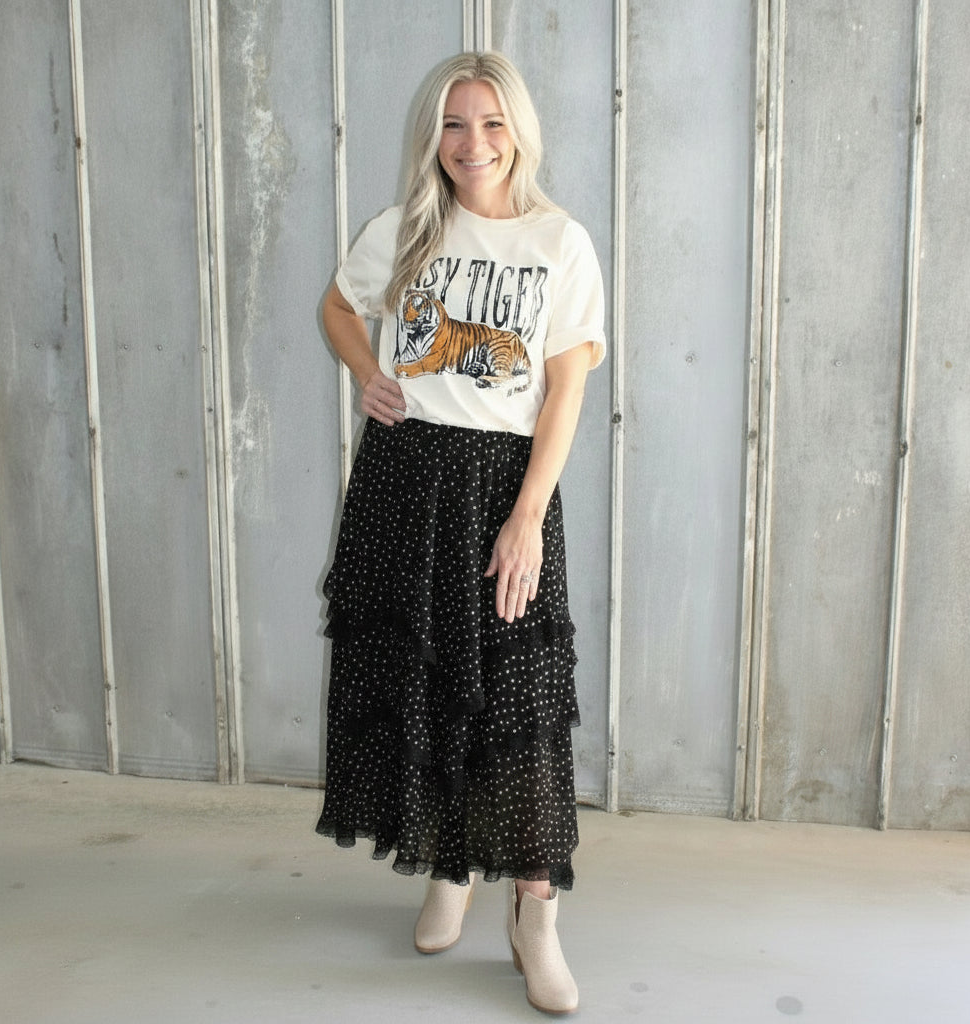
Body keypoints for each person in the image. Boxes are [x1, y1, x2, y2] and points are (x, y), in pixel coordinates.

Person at [315, 50, 605, 1016]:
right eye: (452, 125)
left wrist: (527, 515)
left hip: (502, 483)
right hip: (407, 478)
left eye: (488, 123)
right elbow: (337, 306)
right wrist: (366, 370)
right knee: (428, 676)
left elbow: (567, 386)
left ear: (516, 128)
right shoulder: (403, 230)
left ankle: (535, 910)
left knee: (518, 691)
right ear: (432, 136)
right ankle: (450, 865)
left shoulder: (561, 242)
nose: (471, 144)